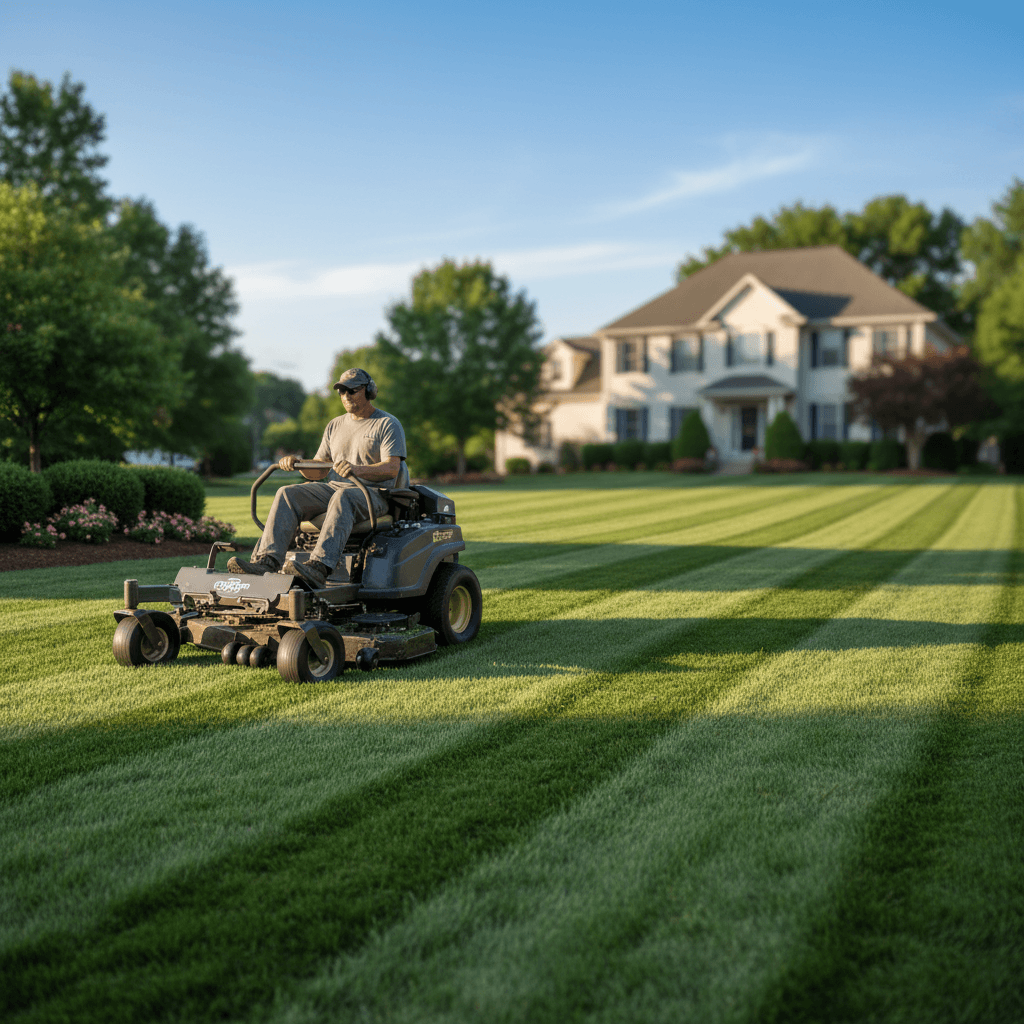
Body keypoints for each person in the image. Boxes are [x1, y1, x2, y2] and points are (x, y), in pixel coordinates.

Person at [227, 368, 407, 589]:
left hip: (373, 494)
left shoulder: (387, 424)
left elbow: (392, 469)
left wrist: (356, 470)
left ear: (369, 391)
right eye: (341, 391)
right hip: (334, 488)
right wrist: (297, 462)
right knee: (287, 493)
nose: (346, 396)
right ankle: (267, 561)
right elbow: (320, 468)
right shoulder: (335, 425)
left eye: (352, 390)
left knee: (343, 496)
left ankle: (319, 567)